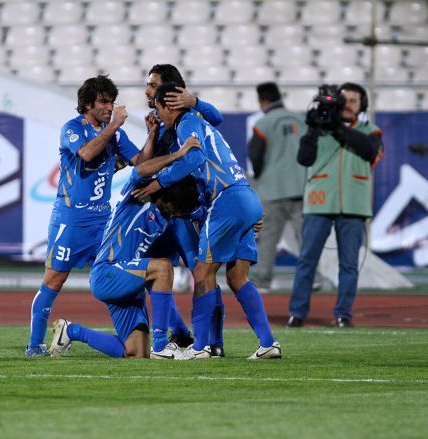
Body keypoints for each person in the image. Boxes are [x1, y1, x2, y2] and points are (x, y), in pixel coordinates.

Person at [134, 82, 281, 361]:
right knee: (237, 277)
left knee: (202, 273)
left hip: (225, 199)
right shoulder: (201, 121)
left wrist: (160, 182)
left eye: (158, 108)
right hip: (245, 196)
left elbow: (194, 158)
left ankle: (201, 346)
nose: (157, 114)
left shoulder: (186, 122)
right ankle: (268, 343)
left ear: (169, 105)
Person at [26, 75, 157, 356]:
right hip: (70, 221)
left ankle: (137, 339)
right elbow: (86, 153)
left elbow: (141, 163)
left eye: (111, 102)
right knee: (54, 280)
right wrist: (114, 125)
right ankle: (34, 345)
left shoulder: (115, 134)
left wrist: (152, 135)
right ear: (87, 104)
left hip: (103, 223)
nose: (109, 107)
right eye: (103, 102)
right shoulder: (72, 129)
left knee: (120, 275)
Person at [49, 158, 202, 360]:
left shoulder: (165, 214)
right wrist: (179, 154)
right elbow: (139, 170)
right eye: (173, 208)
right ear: (166, 197)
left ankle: (71, 331)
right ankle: (161, 345)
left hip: (129, 281)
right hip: (108, 272)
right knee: (163, 268)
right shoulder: (138, 195)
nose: (173, 214)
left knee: (137, 353)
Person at [143, 63, 228, 355]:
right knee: (150, 271)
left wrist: (194, 101)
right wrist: (152, 135)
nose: (148, 91)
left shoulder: (189, 115)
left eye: (153, 85)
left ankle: (214, 342)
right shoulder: (160, 121)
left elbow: (217, 118)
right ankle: (179, 332)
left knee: (202, 274)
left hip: (186, 213)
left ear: (172, 92)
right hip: (162, 213)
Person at [287, 83, 384, 328]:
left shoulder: (371, 131)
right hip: (319, 201)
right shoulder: (319, 128)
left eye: (354, 100)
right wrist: (313, 129)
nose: (348, 105)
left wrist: (336, 128)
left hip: (354, 203)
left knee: (349, 263)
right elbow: (304, 159)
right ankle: (297, 314)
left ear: (363, 105)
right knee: (307, 260)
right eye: (345, 100)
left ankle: (343, 314)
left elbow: (369, 151)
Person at [247, 82, 307, 291]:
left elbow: (255, 154)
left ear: (263, 100)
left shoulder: (263, 123)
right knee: (305, 237)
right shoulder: (301, 120)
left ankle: (263, 279)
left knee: (269, 237)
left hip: (272, 189)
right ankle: (312, 277)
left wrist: (261, 176)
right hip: (301, 187)